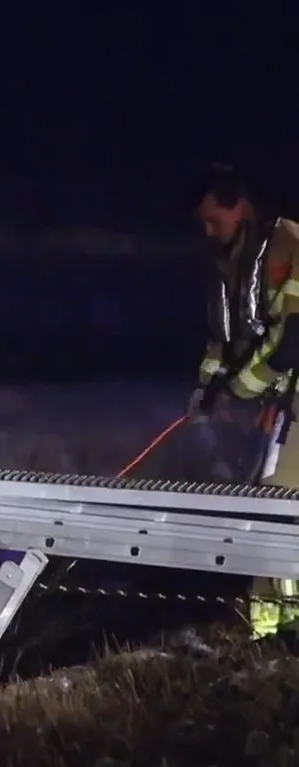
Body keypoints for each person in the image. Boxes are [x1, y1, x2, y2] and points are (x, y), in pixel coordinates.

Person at [186, 166, 299, 640]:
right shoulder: (230, 263)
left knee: (283, 498)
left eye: (215, 220)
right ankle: (270, 627)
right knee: (268, 498)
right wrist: (207, 389)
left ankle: (288, 624)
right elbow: (223, 340)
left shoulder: (288, 243)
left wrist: (242, 390)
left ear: (240, 206)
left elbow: (294, 338)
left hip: (292, 395)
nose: (209, 232)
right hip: (279, 399)